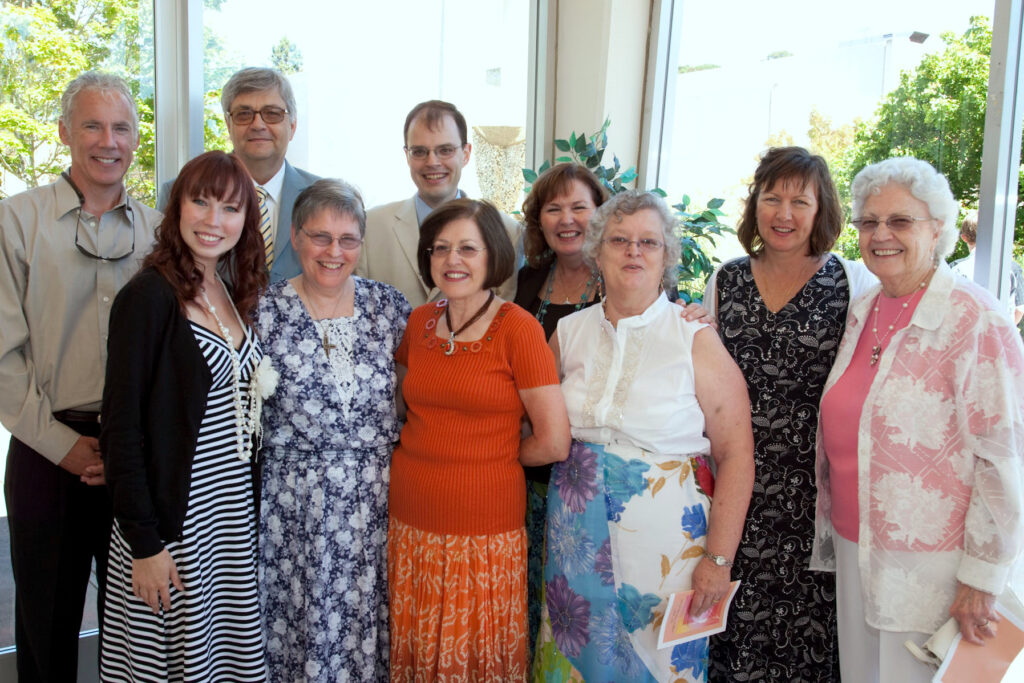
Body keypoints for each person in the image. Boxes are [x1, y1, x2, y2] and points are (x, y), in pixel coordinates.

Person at [814, 157, 1024, 681]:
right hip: (855, 544)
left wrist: (983, 576)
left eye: (900, 221)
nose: (880, 234)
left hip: (934, 568)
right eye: (868, 221)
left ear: (938, 229)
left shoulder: (975, 319)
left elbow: (1006, 456)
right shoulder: (864, 309)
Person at [535, 190, 755, 681]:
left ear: (667, 256)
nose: (633, 251)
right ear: (597, 251)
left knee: (657, 666)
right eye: (619, 240)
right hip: (575, 541)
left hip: (667, 551)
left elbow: (737, 453)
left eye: (648, 242)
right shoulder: (567, 333)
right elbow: (530, 424)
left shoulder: (693, 335)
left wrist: (719, 560)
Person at [0, 71, 161, 681]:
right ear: (65, 131)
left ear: (135, 140)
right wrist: (65, 448)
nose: (107, 140)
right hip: (48, 450)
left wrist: (132, 448)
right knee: (46, 623)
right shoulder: (16, 222)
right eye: (92, 124)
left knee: (137, 630)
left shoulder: (158, 231)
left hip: (135, 456)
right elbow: (2, 358)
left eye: (121, 127)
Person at [701, 146, 875, 681]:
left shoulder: (852, 283)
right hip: (735, 489)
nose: (784, 213)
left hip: (814, 494)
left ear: (822, 211)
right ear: (755, 205)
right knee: (730, 627)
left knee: (811, 638)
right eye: (772, 198)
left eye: (800, 200)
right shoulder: (723, 281)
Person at [99, 151, 269, 681]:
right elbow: (120, 430)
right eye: (200, 202)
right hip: (175, 527)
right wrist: (146, 544)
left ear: (247, 222)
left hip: (228, 522)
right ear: (176, 209)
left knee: (225, 664)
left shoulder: (231, 290)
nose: (213, 221)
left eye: (230, 208)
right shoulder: (148, 297)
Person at [388, 199, 569, 680]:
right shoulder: (418, 323)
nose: (452, 260)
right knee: (420, 651)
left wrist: (491, 458)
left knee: (473, 656)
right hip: (410, 522)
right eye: (440, 248)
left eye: (467, 248)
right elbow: (405, 409)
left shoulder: (519, 330)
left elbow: (553, 442)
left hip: (484, 531)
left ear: (492, 256)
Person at [256, 178, 410, 681]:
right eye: (320, 236)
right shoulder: (262, 312)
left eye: (348, 239)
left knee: (369, 628)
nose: (333, 251)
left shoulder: (389, 308)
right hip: (294, 508)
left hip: (376, 503)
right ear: (295, 238)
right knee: (300, 627)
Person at [159, 67, 319, 281]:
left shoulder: (321, 196)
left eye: (272, 114)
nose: (258, 125)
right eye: (244, 114)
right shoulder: (179, 192)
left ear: (292, 125)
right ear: (228, 124)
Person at [358, 100, 521, 305]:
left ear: (466, 153)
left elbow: (503, 318)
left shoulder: (507, 231)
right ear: (407, 156)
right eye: (419, 152)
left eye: (445, 150)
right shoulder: (371, 226)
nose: (432, 162)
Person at [950, 209, 1024, 325]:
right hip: (1001, 334)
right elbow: (1019, 308)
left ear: (964, 237)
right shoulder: (1012, 267)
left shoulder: (955, 268)